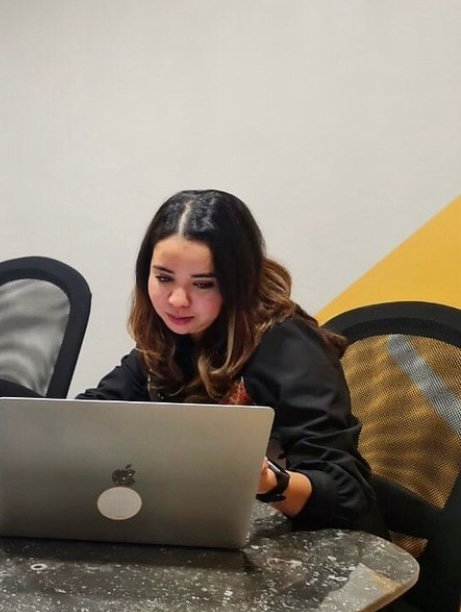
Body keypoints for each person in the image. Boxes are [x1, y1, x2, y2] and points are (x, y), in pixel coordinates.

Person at [76, 189, 382, 532]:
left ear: (239, 282)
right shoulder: (169, 337)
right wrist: (17, 467)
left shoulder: (289, 347)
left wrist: (269, 481)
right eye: (163, 278)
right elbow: (92, 414)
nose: (177, 300)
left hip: (313, 555)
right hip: (206, 531)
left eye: (203, 284)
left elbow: (348, 496)